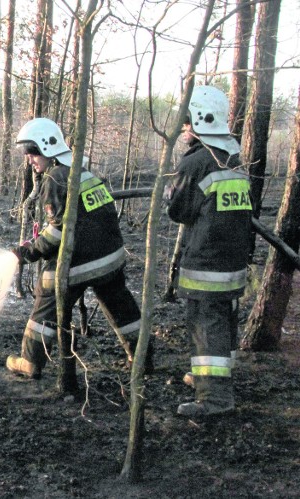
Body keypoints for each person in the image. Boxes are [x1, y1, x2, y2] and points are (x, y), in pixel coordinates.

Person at [6, 117, 151, 380]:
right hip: (110, 258)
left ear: (47, 148)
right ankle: (142, 357)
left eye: (32, 152)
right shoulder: (81, 172)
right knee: (120, 304)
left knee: (46, 293)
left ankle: (30, 361)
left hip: (81, 259)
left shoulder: (55, 179)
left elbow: (58, 232)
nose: (29, 160)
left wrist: (30, 252)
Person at [164, 85, 252, 417]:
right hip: (232, 263)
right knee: (222, 320)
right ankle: (211, 379)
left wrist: (171, 195)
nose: (184, 128)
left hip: (206, 264)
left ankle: (215, 399)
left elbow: (179, 212)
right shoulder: (232, 158)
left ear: (201, 120)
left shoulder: (198, 162)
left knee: (205, 323)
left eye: (187, 121)